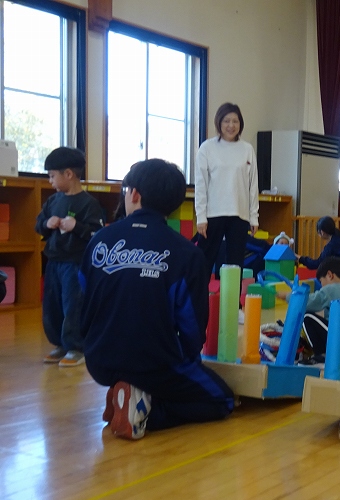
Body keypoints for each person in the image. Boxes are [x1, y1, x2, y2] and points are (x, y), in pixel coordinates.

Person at [80, 159, 235, 440]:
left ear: (134, 194)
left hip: (98, 360)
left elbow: (84, 298)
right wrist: (187, 361)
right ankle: (144, 411)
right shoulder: (187, 253)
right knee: (222, 399)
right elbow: (192, 325)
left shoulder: (98, 241)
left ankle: (125, 391)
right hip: (154, 363)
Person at [36, 147, 103, 367]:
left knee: (72, 305)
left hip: (75, 264)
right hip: (54, 261)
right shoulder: (53, 201)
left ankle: (75, 346)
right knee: (52, 305)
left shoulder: (89, 204)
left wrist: (77, 226)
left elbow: (97, 234)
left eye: (52, 176)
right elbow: (39, 225)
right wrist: (47, 223)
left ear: (68, 174)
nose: (50, 181)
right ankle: (59, 344)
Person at [194, 102, 259, 324]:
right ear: (219, 123)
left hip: (239, 215)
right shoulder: (207, 148)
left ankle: (233, 307)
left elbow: (252, 185)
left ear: (240, 124)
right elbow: (201, 185)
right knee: (205, 260)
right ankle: (197, 304)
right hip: (213, 214)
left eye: (235, 121)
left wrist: (254, 216)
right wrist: (201, 217)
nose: (231, 125)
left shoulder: (247, 149)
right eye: (226, 121)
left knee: (235, 263)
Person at [277, 257, 340, 368]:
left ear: (330, 275)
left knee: (307, 316)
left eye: (321, 281)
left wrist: (285, 296)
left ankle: (322, 356)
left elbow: (306, 302)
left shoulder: (331, 289)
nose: (321, 286)